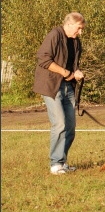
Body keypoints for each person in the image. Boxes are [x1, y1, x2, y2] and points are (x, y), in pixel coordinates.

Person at [33, 12, 86, 175]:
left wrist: (76, 72)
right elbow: (43, 59)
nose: (80, 32)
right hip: (52, 86)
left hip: (68, 86)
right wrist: (65, 72)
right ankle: (55, 164)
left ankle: (62, 162)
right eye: (79, 28)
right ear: (69, 24)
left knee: (70, 126)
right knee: (60, 123)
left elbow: (72, 64)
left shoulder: (76, 42)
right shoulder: (54, 35)